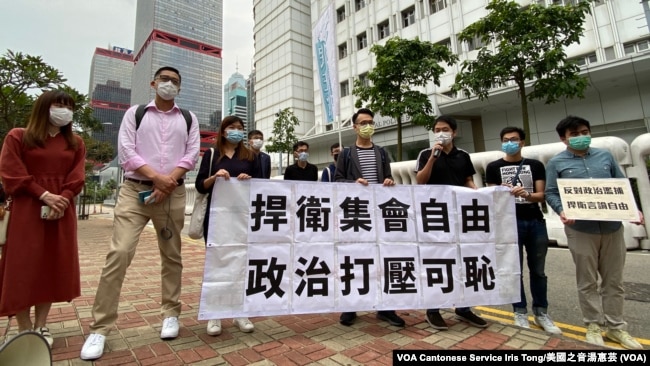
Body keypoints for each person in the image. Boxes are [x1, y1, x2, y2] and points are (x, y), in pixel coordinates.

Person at [80, 66, 201, 360]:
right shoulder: (136, 114)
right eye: (164, 80)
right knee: (119, 253)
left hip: (173, 193)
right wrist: (156, 178)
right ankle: (100, 327)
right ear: (153, 82)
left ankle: (170, 313)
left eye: (175, 81)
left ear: (180, 88)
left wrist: (167, 182)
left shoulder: (188, 118)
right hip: (135, 192)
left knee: (172, 255)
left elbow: (191, 153)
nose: (169, 84)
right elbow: (126, 151)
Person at [545, 116, 644, 349]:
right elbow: (551, 193)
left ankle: (616, 327)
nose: (581, 137)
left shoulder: (605, 156)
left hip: (611, 228)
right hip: (580, 229)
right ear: (563, 138)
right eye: (574, 134)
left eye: (584, 132)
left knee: (614, 281)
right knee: (587, 280)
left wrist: (634, 210)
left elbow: (622, 185)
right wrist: (561, 210)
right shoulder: (556, 163)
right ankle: (592, 325)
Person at [0, 90, 86, 348]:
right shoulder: (18, 136)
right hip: (27, 208)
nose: (64, 110)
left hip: (62, 209)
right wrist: (45, 194)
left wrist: (65, 195)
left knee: (51, 264)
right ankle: (24, 328)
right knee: (24, 266)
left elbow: (77, 174)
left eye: (69, 106)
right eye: (59, 105)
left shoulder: (75, 142)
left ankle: (42, 325)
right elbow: (11, 173)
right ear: (44, 107)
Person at [414, 115, 488, 330]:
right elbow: (420, 181)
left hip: (460, 216)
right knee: (438, 261)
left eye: (445, 129)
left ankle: (464, 309)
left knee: (464, 261)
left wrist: (476, 192)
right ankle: (433, 310)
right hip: (435, 217)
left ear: (454, 132)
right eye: (437, 130)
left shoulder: (463, 155)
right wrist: (432, 159)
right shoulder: (426, 154)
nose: (441, 133)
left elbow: (468, 180)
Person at [485, 126, 561, 334]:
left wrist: (526, 195)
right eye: (506, 139)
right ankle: (519, 312)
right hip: (508, 224)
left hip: (534, 221)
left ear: (522, 142)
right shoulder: (493, 167)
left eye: (515, 139)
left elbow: (541, 195)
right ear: (501, 143)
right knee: (513, 270)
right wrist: (502, 192)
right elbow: (491, 197)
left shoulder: (534, 165)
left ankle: (541, 312)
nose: (510, 142)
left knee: (538, 270)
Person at [334, 108, 405, 328]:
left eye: (371, 122)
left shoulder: (382, 152)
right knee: (353, 259)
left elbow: (388, 177)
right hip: (355, 214)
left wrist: (389, 182)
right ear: (354, 127)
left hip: (379, 214)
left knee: (382, 258)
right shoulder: (345, 154)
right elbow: (337, 181)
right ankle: (350, 306)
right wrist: (354, 185)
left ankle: (385, 308)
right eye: (363, 122)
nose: (368, 126)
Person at [196, 116, 263, 336]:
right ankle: (214, 314)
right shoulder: (212, 154)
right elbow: (200, 185)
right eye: (232, 128)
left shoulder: (250, 156)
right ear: (223, 131)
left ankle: (239, 312)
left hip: (242, 218)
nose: (236, 131)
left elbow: (261, 185)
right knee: (217, 262)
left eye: (240, 128)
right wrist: (215, 177)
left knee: (241, 263)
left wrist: (248, 179)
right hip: (216, 219)